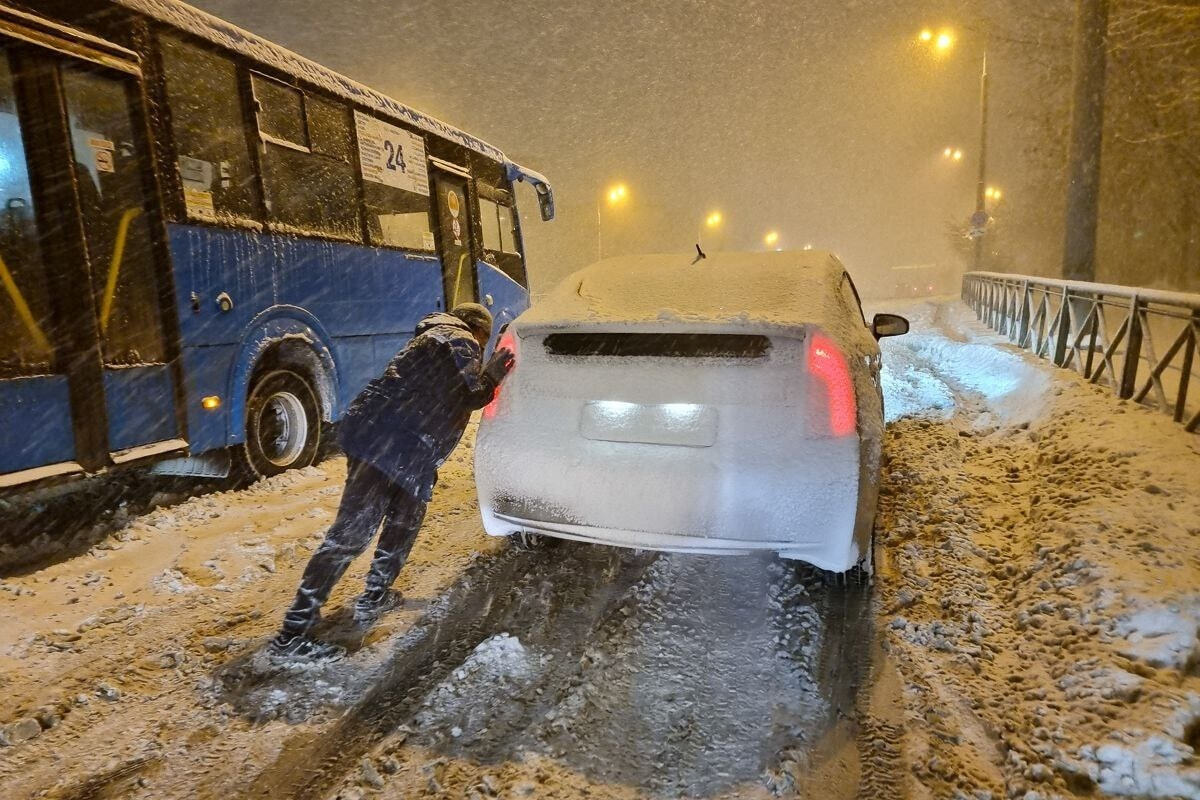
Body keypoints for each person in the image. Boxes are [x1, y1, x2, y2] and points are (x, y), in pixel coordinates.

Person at [269, 303, 514, 661]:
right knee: (351, 535)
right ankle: (292, 632)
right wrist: (493, 373)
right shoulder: (459, 339)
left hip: (398, 442)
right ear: (480, 330)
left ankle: (377, 592)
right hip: (392, 443)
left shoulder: (436, 337)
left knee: (405, 518)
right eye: (486, 338)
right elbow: (473, 394)